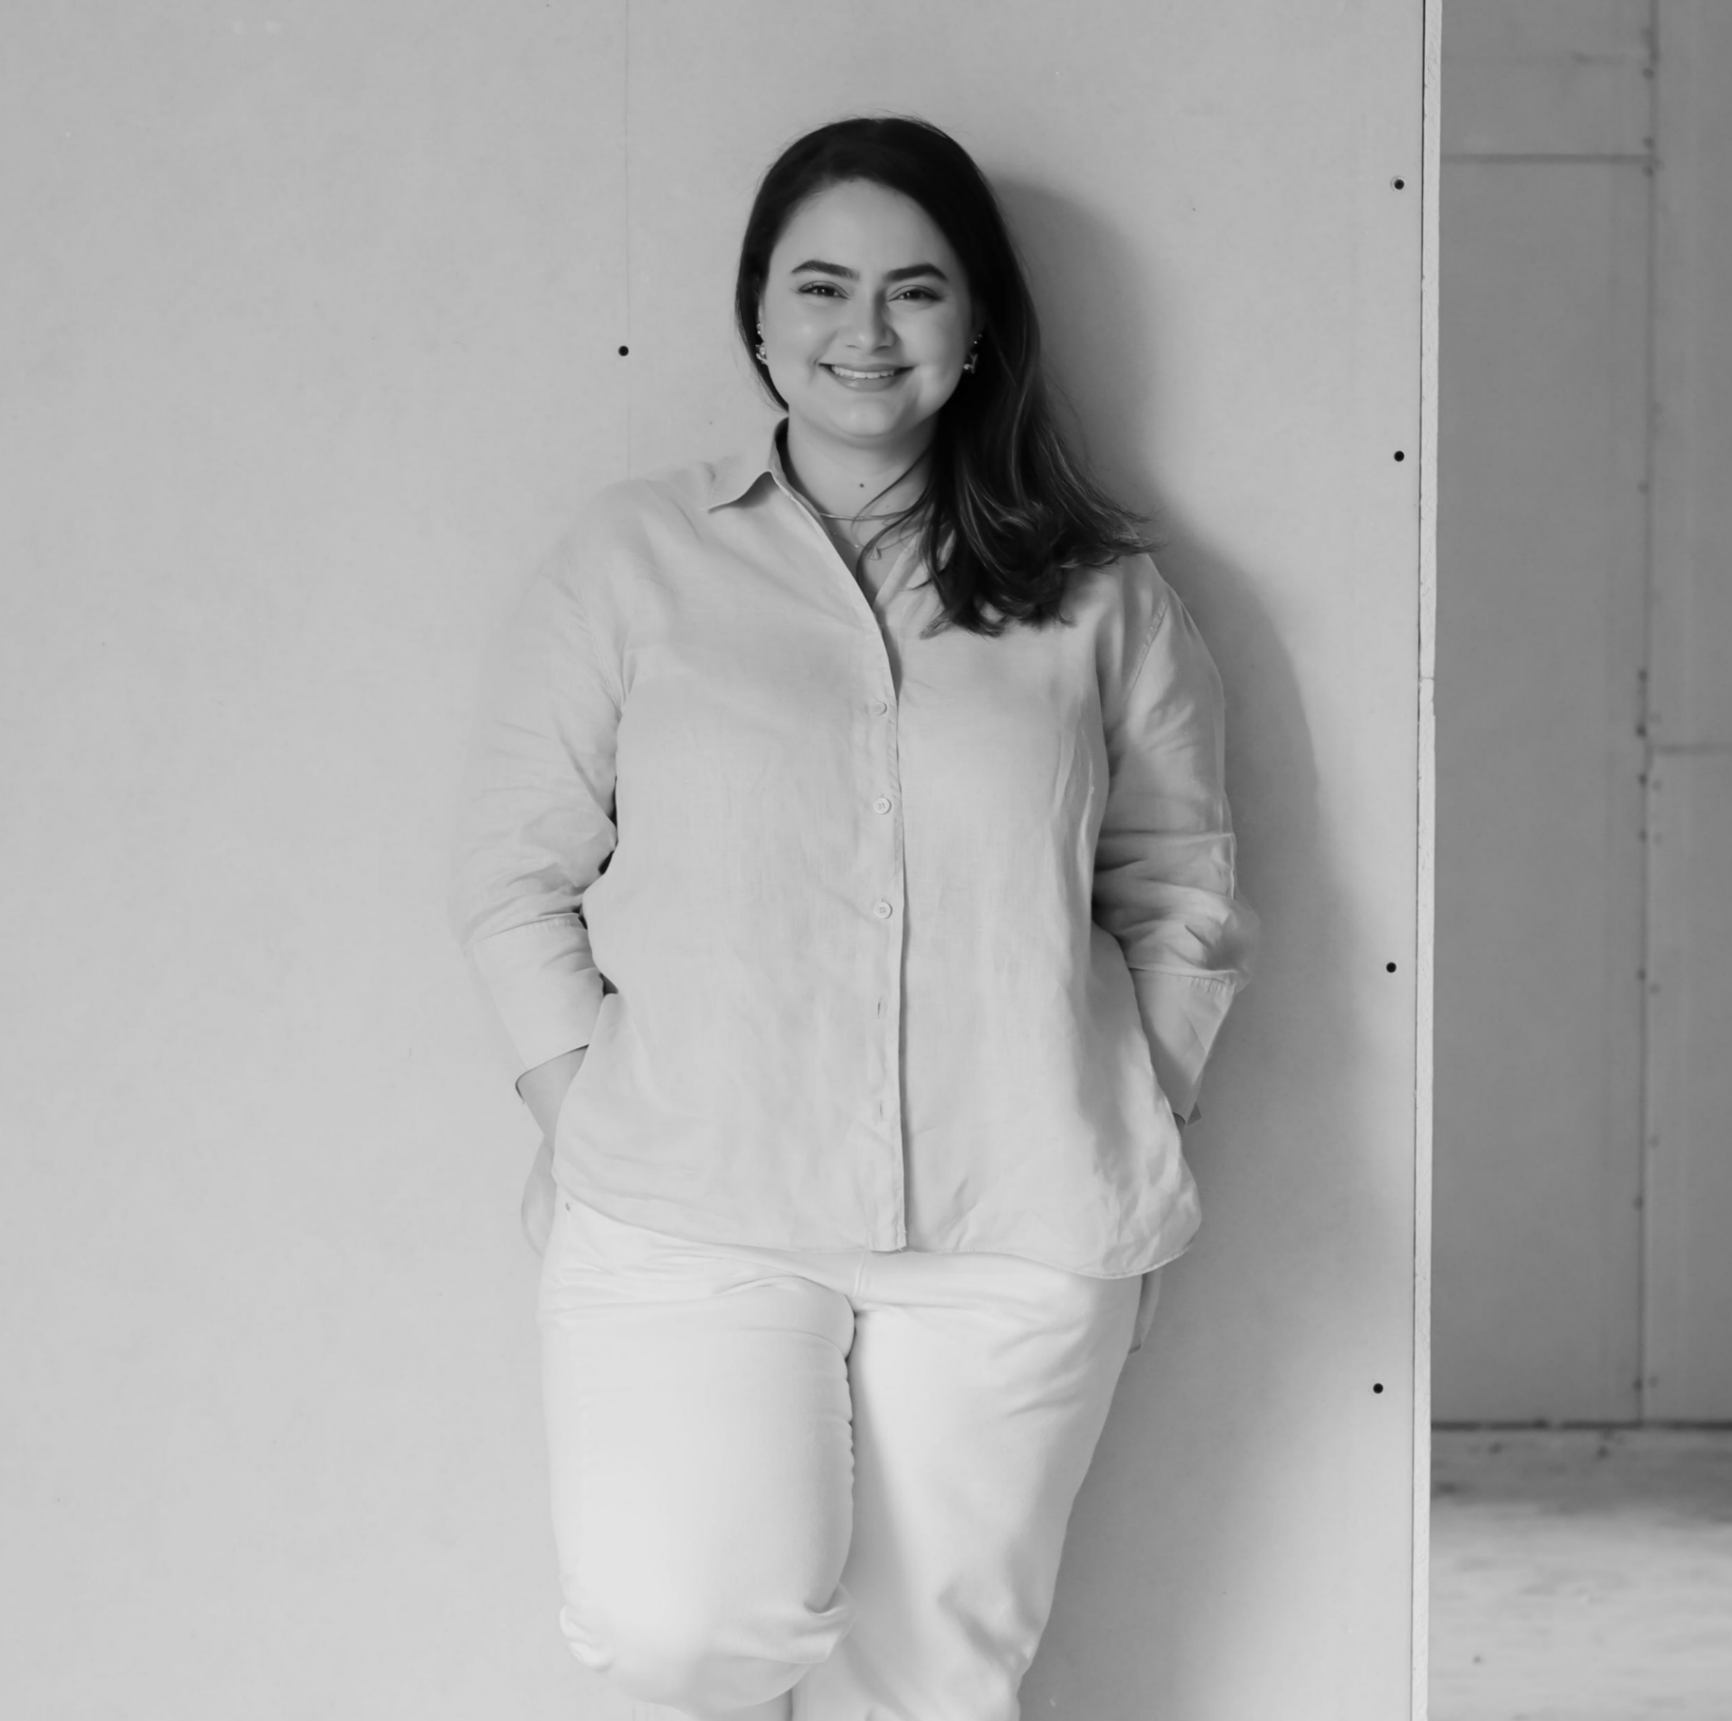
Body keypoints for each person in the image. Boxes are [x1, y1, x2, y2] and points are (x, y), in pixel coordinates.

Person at [449, 114, 1257, 1721]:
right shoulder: (634, 561)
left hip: (1019, 1209)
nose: (865, 331)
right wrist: (581, 1100)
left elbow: (1181, 883)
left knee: (930, 1685)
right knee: (679, 1630)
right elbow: (513, 872)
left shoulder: (1099, 591)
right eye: (822, 286)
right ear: (759, 313)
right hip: (690, 1203)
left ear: (977, 326)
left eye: (916, 289)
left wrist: (1136, 1098)